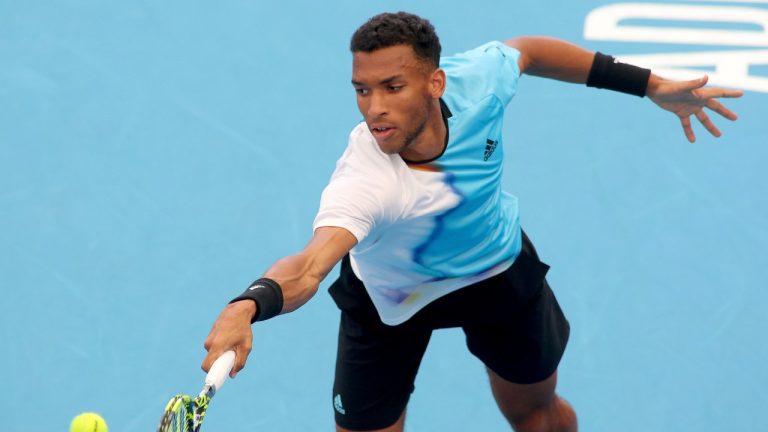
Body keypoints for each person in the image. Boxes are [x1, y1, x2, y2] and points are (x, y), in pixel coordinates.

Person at [201, 11, 742, 432]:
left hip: (495, 272)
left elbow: (529, 52)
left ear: (436, 83)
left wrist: (648, 84)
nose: (374, 108)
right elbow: (310, 266)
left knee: (537, 416)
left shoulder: (478, 84)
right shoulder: (366, 180)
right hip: (390, 301)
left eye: (393, 87)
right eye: (362, 90)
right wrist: (248, 304)